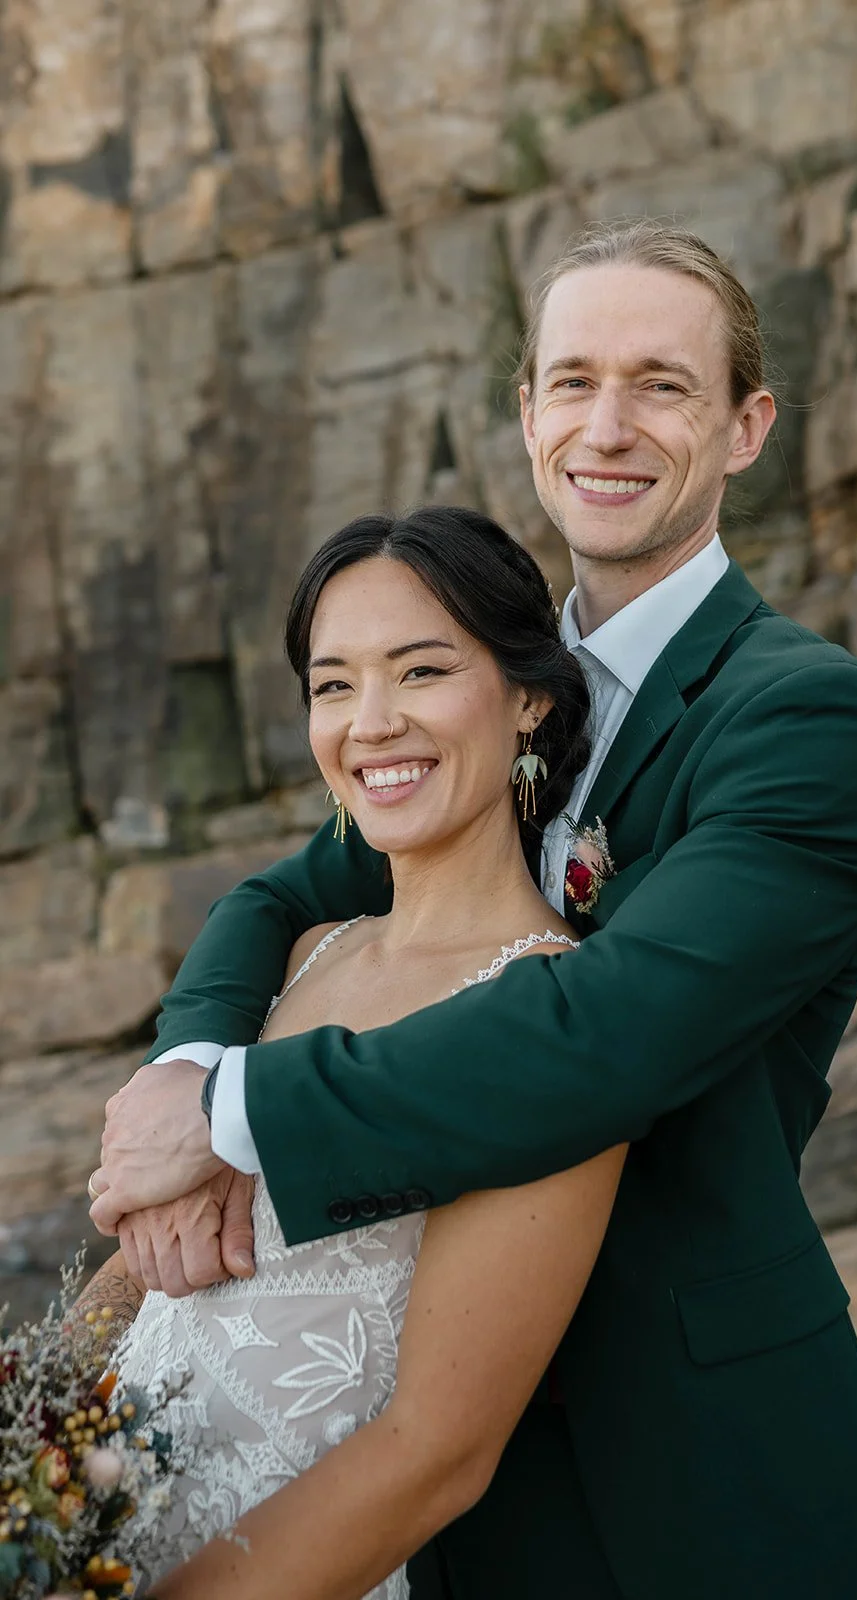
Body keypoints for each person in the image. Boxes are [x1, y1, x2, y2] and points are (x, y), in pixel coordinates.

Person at [90, 219, 857, 1599]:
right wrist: (182, 1068)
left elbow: (611, 1027)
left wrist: (234, 1115)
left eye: (661, 386)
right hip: (455, 1498)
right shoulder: (479, 700)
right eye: (569, 380)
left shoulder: (802, 716)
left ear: (744, 427)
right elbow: (278, 896)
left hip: (695, 1464)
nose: (605, 426)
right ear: (527, 410)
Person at [75, 506, 629, 1597]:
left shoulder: (553, 1019)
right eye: (333, 685)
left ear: (529, 695)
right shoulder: (306, 954)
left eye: (420, 671)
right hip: (85, 1528)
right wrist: (27, 1447)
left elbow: (435, 1453)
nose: (370, 723)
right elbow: (145, 1281)